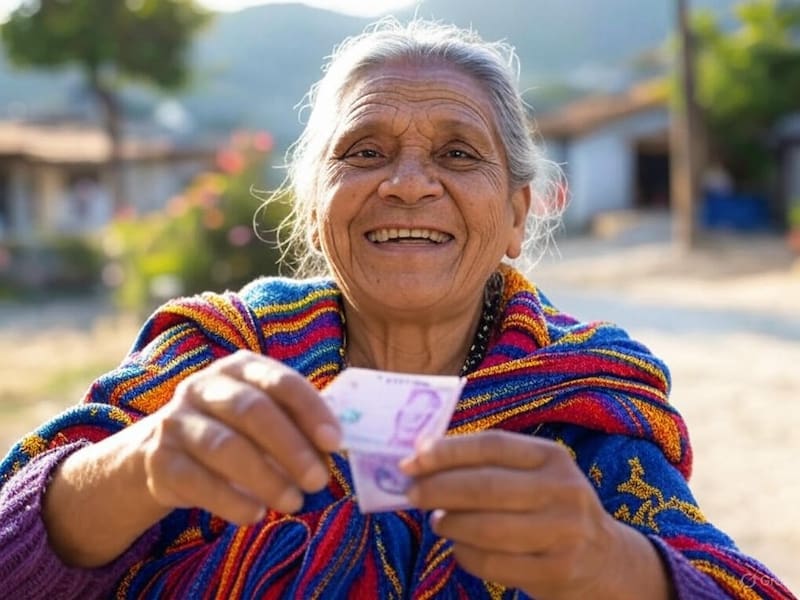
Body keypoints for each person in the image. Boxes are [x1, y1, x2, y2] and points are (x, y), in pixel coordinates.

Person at [0, 18, 794, 600]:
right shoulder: (214, 359)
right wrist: (140, 464)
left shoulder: (583, 404)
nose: (409, 183)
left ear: (517, 215)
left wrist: (611, 562)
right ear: (314, 210)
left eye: (457, 153)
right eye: (365, 152)